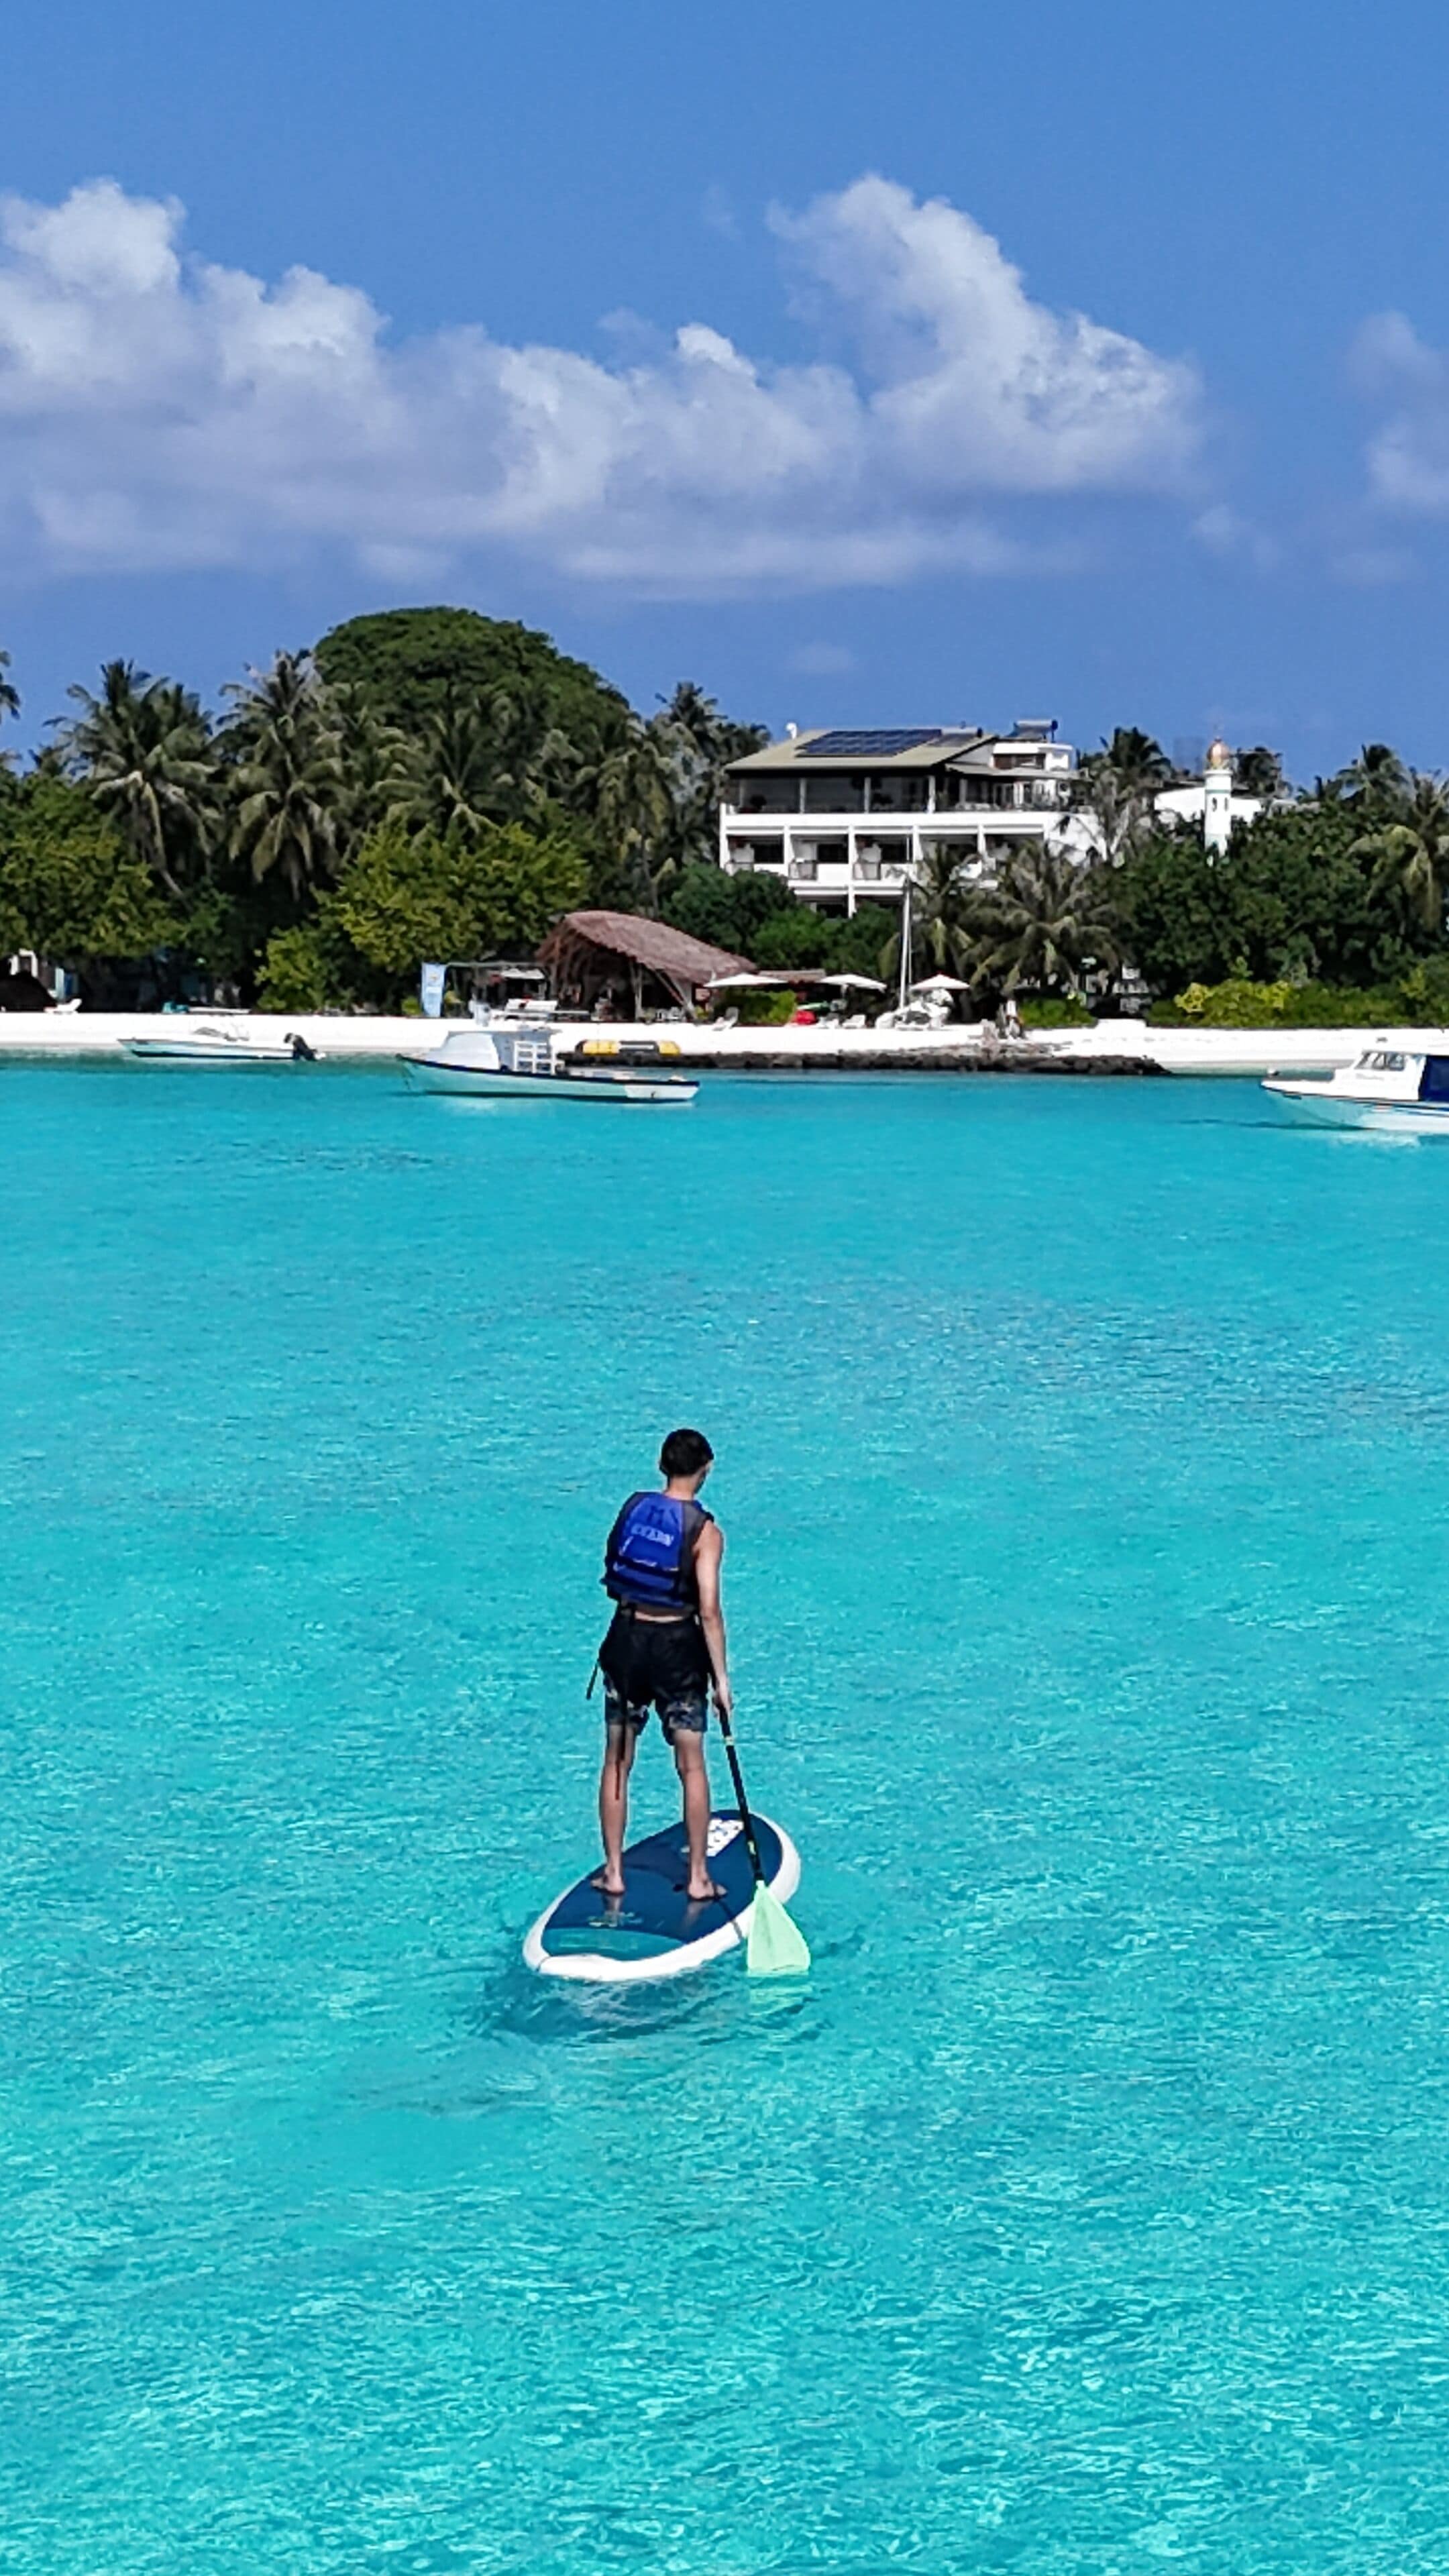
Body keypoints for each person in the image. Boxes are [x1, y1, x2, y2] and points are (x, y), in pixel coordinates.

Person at [594, 1428, 731, 1904]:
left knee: (617, 1760)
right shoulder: (706, 1532)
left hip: (627, 1642)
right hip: (677, 1649)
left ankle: (614, 1872)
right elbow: (709, 1609)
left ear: (662, 1465)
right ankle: (698, 1876)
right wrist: (723, 1682)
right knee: (691, 1766)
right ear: (706, 1469)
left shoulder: (634, 1508)